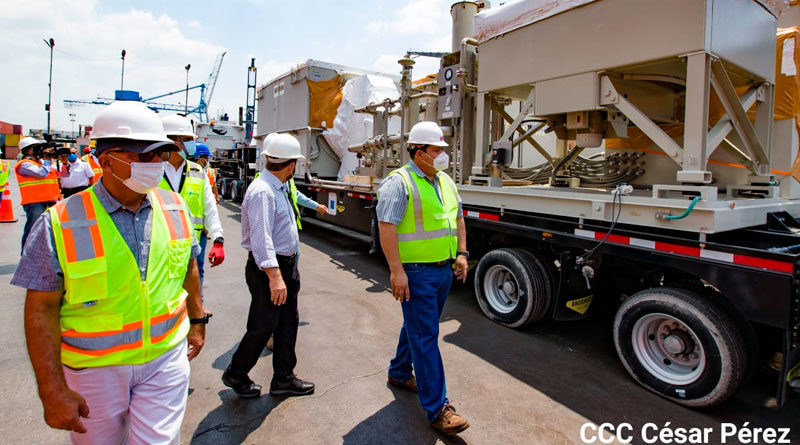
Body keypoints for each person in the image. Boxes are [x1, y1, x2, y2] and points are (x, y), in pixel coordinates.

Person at [10, 100, 208, 444]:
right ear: (106, 162)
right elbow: (40, 308)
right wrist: (51, 388)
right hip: (94, 370)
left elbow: (189, 266)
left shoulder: (174, 206)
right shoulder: (60, 221)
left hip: (165, 356)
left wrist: (198, 321)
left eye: (158, 156)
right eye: (143, 157)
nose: (155, 165)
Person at [376, 121, 470, 435]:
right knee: (427, 336)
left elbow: (457, 217)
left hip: (443, 268)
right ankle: (438, 409)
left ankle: (400, 372)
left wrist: (462, 253)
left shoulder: (445, 181)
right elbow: (386, 226)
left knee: (417, 326)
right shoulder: (398, 182)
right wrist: (396, 271)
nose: (442, 155)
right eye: (435, 150)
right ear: (418, 152)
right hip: (416, 273)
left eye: (443, 149)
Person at [222, 133, 315, 398]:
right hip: (270, 270)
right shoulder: (263, 191)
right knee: (263, 327)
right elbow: (261, 238)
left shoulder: (279, 186)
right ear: (291, 164)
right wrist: (275, 277)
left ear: (267, 159)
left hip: (285, 267)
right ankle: (235, 374)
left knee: (288, 323)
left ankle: (284, 378)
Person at [160, 115, 225, 291]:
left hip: (191, 245)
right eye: (187, 140)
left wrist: (218, 238)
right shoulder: (152, 170)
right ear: (172, 141)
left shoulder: (197, 171)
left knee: (194, 285)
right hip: (159, 246)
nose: (191, 145)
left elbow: (209, 207)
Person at [15, 136, 62, 253]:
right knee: (33, 230)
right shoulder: (24, 164)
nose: (40, 150)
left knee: (51, 229)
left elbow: (61, 175)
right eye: (37, 148)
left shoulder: (42, 163)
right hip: (34, 202)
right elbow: (41, 174)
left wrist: (64, 162)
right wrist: (46, 160)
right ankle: (26, 255)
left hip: (50, 200)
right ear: (28, 150)